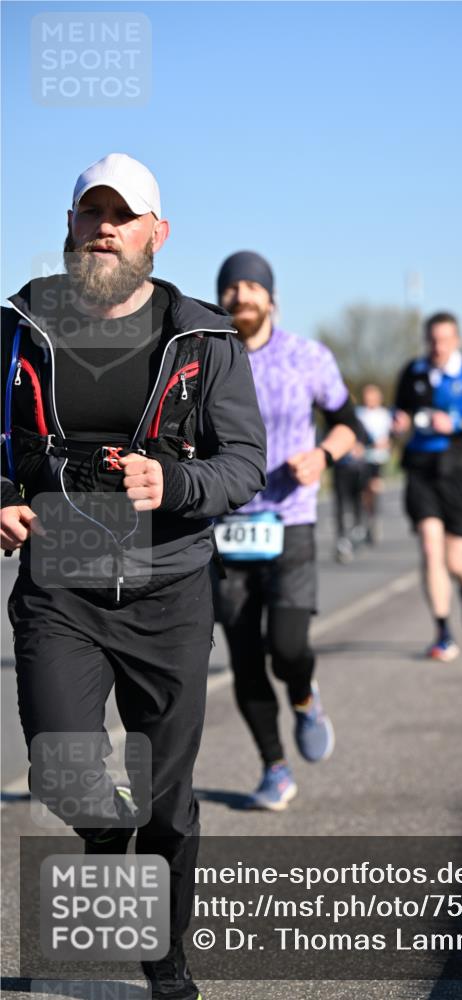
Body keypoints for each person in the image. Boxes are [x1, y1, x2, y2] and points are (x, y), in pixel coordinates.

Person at [1, 154, 266, 1000]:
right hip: (59, 580)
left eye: (123, 215)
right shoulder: (16, 328)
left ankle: (165, 959)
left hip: (169, 587)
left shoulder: (205, 337)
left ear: (157, 233)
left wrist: (174, 483)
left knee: (164, 795)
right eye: (92, 213)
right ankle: (103, 839)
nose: (105, 228)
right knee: (66, 771)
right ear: (70, 228)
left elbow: (244, 464)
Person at [211, 251, 357, 810]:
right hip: (224, 526)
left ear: (271, 297)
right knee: (245, 659)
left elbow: (346, 425)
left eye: (252, 286)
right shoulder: (204, 358)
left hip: (289, 519)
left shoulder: (307, 357)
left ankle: (303, 696)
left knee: (287, 648)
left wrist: (322, 454)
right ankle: (274, 768)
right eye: (232, 288)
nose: (241, 296)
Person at [393, 311, 462, 662]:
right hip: (420, 468)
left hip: (461, 469)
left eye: (445, 339)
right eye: (432, 340)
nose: (438, 346)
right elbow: (398, 413)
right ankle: (443, 632)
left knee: (455, 558)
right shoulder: (412, 372)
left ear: (457, 340)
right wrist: (398, 423)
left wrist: (458, 422)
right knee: (431, 549)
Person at [356, 383, 394, 545]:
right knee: (364, 491)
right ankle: (367, 517)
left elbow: (391, 435)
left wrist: (387, 443)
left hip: (378, 458)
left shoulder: (384, 414)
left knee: (374, 486)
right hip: (363, 457)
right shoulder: (358, 413)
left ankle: (374, 518)